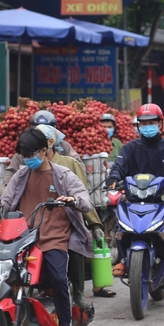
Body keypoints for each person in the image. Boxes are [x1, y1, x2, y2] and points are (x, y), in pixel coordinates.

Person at [0, 129, 93, 326]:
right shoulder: (21, 176)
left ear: (44, 151)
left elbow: (86, 201)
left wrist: (72, 200)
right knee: (2, 277)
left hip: (54, 238)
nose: (27, 158)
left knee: (60, 280)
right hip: (23, 239)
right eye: (24, 155)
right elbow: (6, 202)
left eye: (31, 154)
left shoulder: (63, 175)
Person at [106, 103, 164, 284]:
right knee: (122, 223)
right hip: (134, 197)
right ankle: (122, 259)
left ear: (160, 124)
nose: (148, 126)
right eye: (144, 123)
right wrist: (113, 178)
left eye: (152, 122)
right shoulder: (129, 148)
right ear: (138, 126)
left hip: (163, 198)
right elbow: (118, 166)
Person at [36, 125, 113, 301]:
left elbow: (83, 195)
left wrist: (94, 224)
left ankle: (78, 292)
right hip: (39, 221)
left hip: (67, 219)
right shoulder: (30, 167)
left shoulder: (69, 164)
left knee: (75, 243)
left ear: (50, 143)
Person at [3, 110, 81, 185]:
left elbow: (78, 167)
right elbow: (11, 172)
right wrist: (13, 188)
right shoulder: (26, 147)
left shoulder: (64, 147)